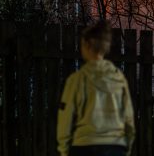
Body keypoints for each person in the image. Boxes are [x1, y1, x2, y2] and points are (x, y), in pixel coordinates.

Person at [57, 21, 136, 156]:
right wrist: (126, 147)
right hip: (115, 146)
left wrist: (64, 150)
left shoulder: (76, 80)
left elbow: (65, 117)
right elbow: (128, 118)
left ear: (87, 45)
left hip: (84, 146)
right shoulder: (119, 79)